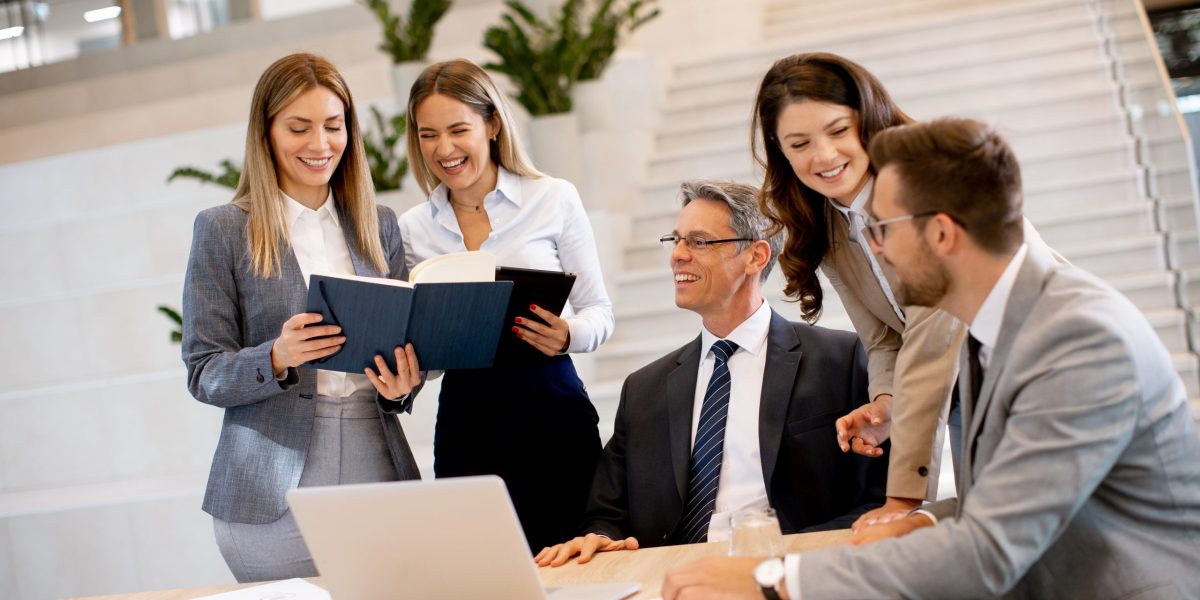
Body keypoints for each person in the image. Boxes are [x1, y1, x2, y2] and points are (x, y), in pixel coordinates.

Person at [661, 118, 1200, 600]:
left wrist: (772, 582)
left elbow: (988, 556)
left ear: (941, 233)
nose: (873, 250)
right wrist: (922, 519)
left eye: (881, 230)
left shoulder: (1077, 341)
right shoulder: (992, 327)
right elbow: (1008, 500)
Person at [752, 52, 1060, 524]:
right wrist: (885, 406)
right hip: (968, 387)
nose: (824, 156)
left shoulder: (926, 186)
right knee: (996, 530)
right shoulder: (829, 223)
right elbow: (883, 339)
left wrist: (901, 500)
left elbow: (932, 341)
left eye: (838, 131)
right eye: (800, 143)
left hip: (1038, 366)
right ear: (780, 149)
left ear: (867, 119)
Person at [535, 181, 886, 567]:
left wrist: (782, 564)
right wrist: (599, 539)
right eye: (676, 240)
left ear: (756, 256)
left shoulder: (842, 359)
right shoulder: (643, 389)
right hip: (668, 580)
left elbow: (879, 501)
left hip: (786, 573)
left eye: (699, 242)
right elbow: (607, 513)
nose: (678, 256)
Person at [182, 53, 422, 582]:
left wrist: (403, 385)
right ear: (265, 133)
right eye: (299, 127)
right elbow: (203, 371)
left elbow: (407, 350)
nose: (319, 145)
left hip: (374, 460)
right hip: (271, 482)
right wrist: (275, 356)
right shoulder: (223, 229)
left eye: (333, 126)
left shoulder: (378, 225)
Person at [397, 59, 614, 552]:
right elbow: (422, 348)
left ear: (492, 124)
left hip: (553, 416)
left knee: (574, 568)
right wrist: (412, 366)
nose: (444, 149)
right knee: (484, 574)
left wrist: (568, 335)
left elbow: (599, 311)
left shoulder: (553, 198)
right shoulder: (412, 229)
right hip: (466, 426)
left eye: (459, 130)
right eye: (429, 135)